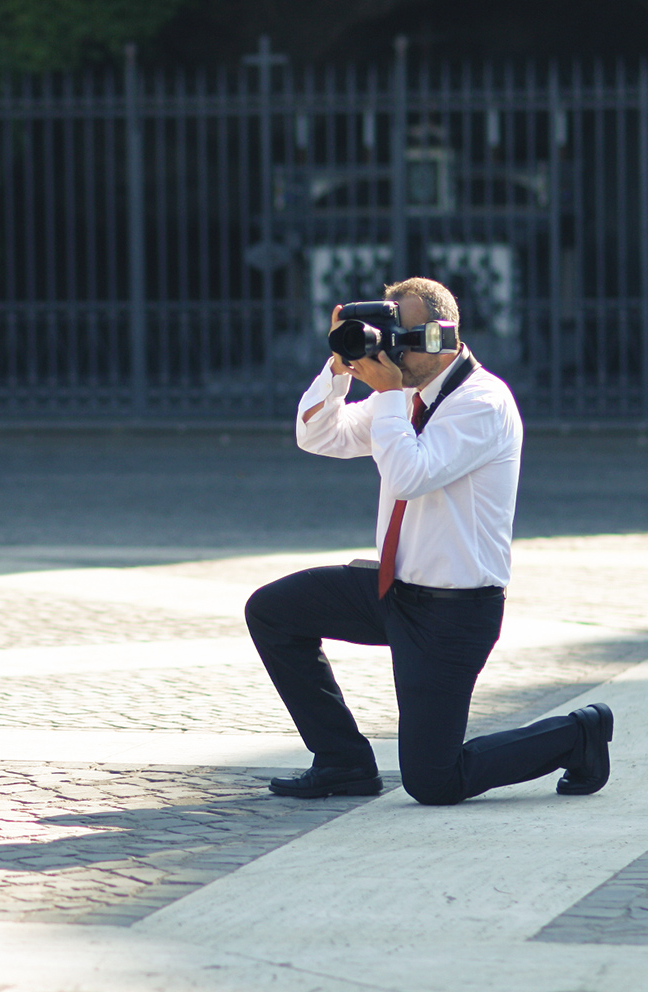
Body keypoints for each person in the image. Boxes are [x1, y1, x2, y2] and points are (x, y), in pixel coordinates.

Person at [245, 277, 612, 804]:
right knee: (273, 612)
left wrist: (389, 394)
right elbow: (317, 435)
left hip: (454, 613)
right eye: (386, 333)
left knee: (434, 780)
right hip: (392, 590)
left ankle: (578, 735)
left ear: (440, 336)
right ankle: (343, 761)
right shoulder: (404, 397)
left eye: (402, 334)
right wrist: (339, 367)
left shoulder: (482, 403)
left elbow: (410, 475)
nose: (391, 347)